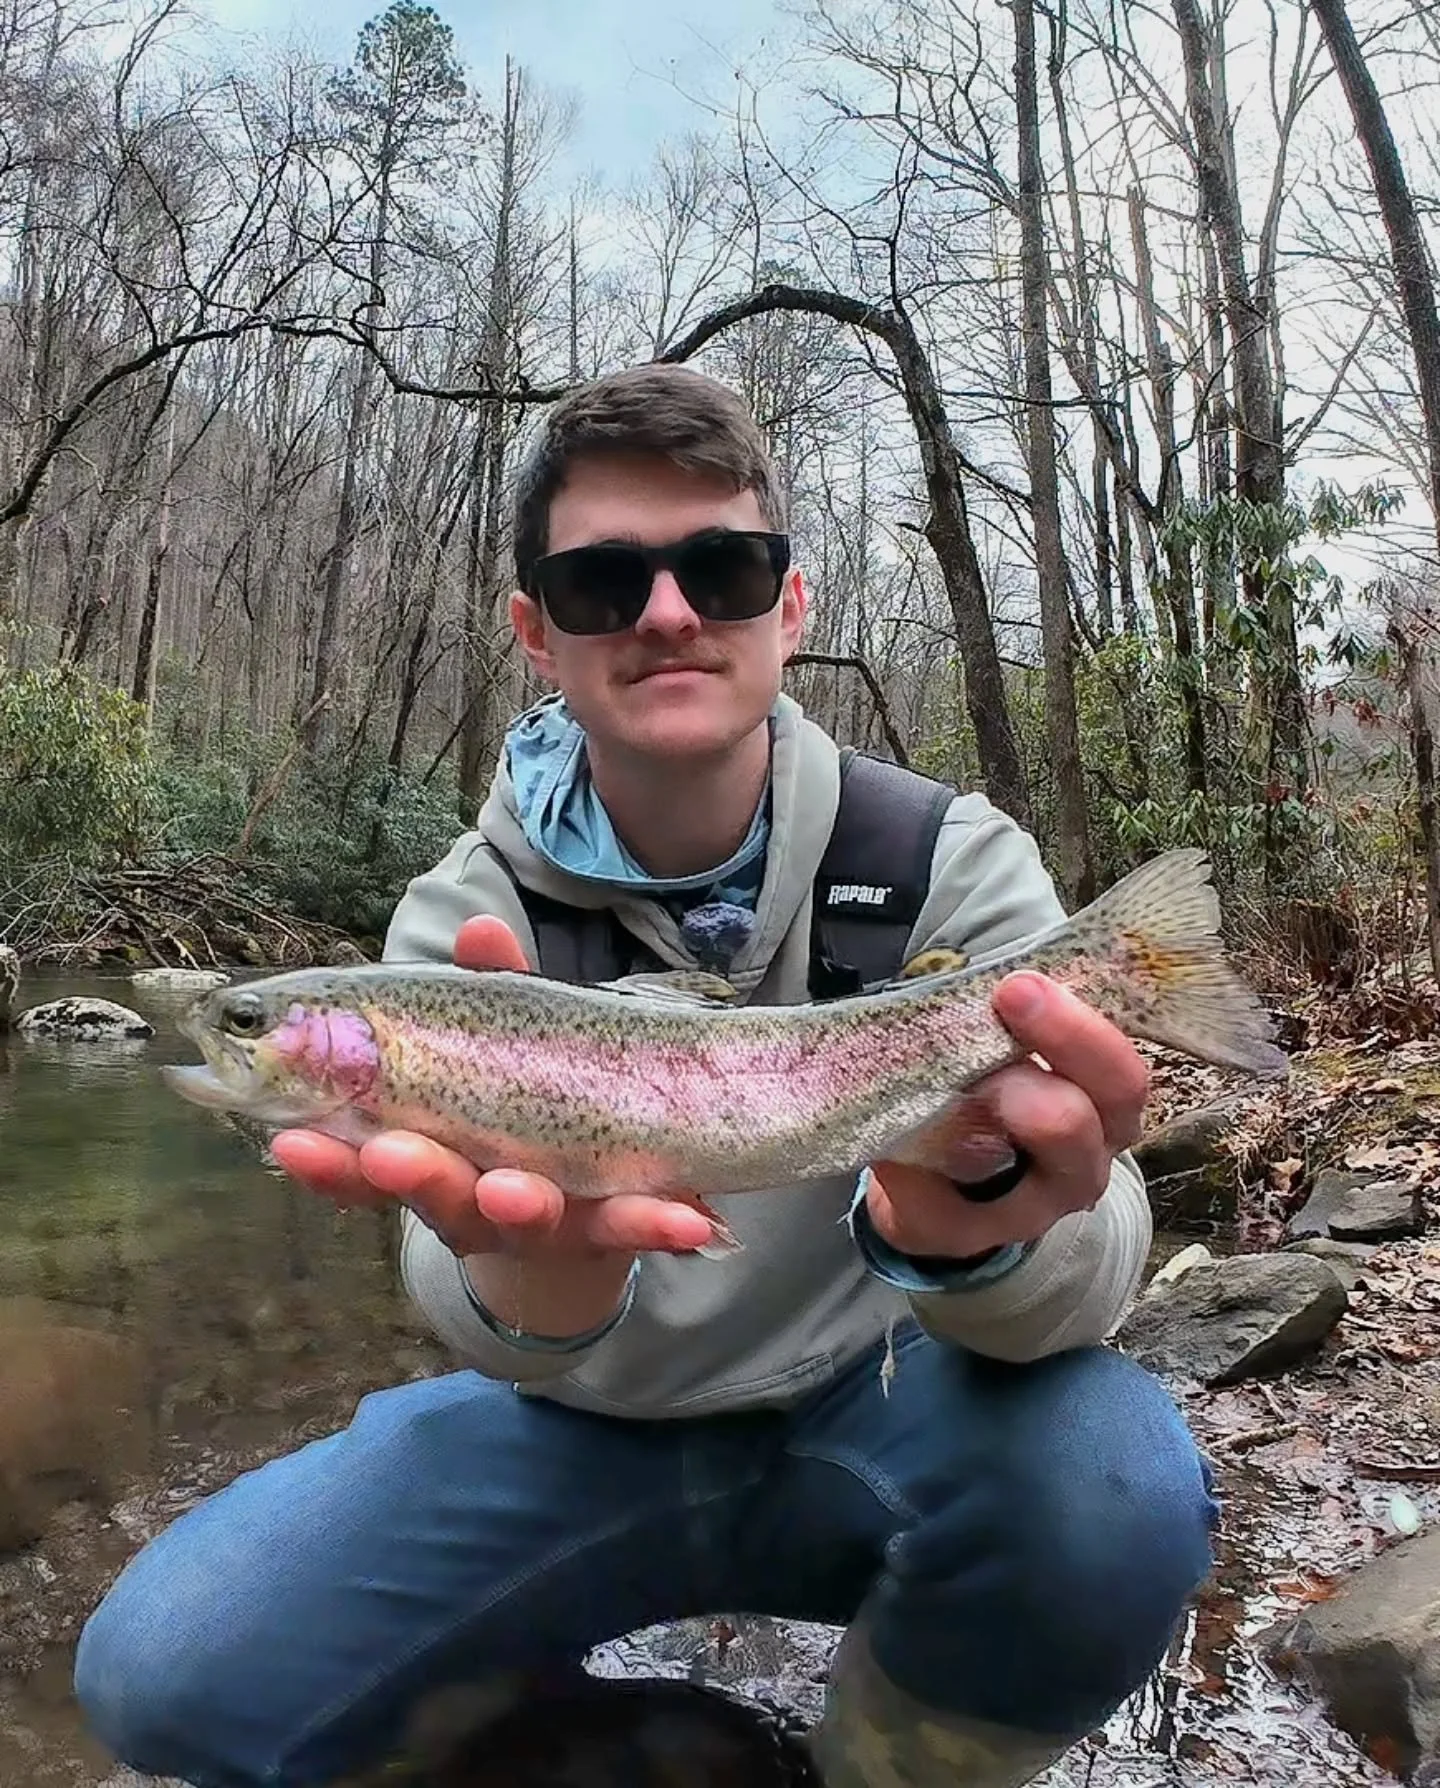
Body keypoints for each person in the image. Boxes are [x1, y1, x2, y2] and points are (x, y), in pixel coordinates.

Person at [73, 364, 1217, 1788]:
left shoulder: (949, 863)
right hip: (572, 1443)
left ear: (790, 608)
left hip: (887, 1410)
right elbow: (454, 1280)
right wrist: (539, 1281)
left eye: (722, 568)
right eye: (605, 583)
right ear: (536, 633)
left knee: (1118, 1481)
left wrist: (970, 1216)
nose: (668, 613)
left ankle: (883, 1767)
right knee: (163, 1671)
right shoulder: (460, 922)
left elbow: (1091, 1273)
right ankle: (599, 1751)